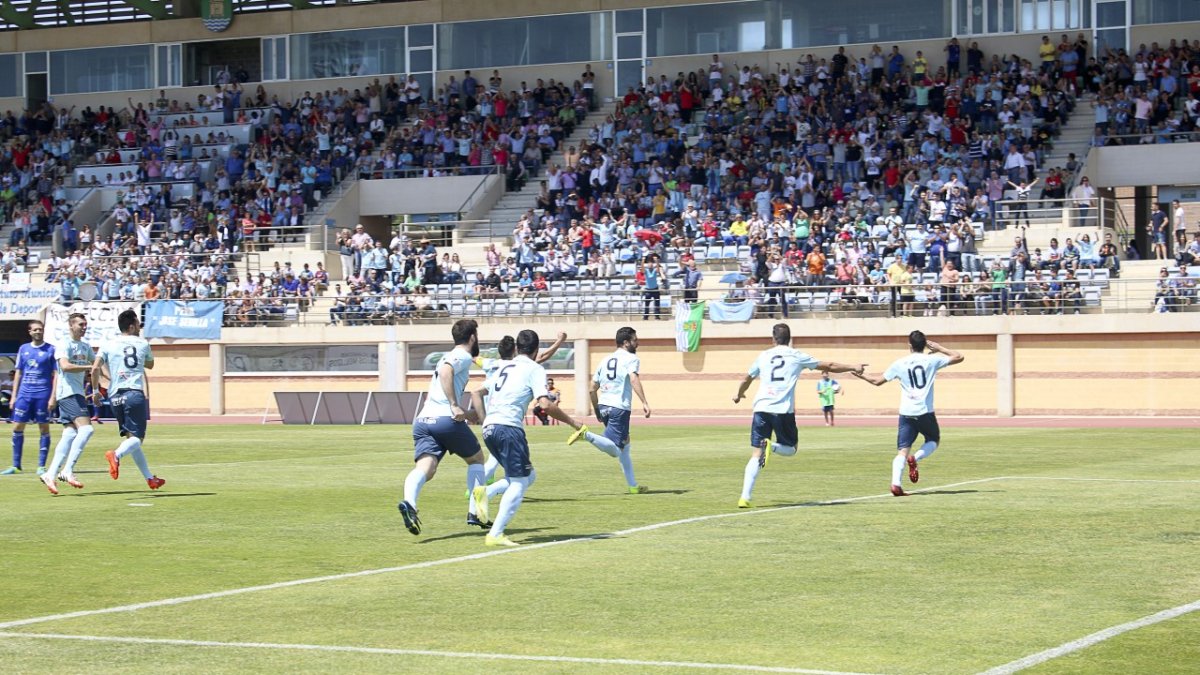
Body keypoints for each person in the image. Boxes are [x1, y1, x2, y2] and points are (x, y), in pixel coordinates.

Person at [470, 329, 585, 547]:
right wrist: (573, 422)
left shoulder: (505, 365)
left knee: (527, 476)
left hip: (491, 429)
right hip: (508, 428)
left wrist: (485, 421)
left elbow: (476, 393)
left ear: (517, 347)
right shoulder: (535, 368)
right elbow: (545, 404)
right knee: (520, 482)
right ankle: (495, 534)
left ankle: (487, 491)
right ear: (536, 349)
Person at [731, 323, 864, 508]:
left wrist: (738, 394)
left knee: (756, 453)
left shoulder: (763, 355)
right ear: (790, 339)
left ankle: (744, 497)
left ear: (773, 338)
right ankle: (772, 446)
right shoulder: (796, 355)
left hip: (761, 407)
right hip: (782, 410)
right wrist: (852, 366)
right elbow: (829, 365)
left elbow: (747, 378)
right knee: (791, 449)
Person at [398, 319, 489, 535]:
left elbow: (440, 383)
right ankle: (477, 513)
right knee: (476, 459)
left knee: (426, 469)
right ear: (472, 337)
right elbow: (447, 372)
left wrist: (466, 413)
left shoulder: (446, 356)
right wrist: (455, 405)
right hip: (445, 419)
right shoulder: (462, 356)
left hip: (423, 420)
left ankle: (409, 503)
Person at [852, 331, 965, 496]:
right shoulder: (932, 360)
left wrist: (861, 375)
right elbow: (959, 356)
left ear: (909, 345)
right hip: (925, 411)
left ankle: (895, 484)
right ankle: (916, 458)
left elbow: (877, 381)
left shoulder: (899, 363)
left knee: (902, 451)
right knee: (933, 439)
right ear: (925, 344)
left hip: (906, 412)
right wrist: (938, 347)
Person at [567, 326, 651, 494]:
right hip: (619, 407)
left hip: (605, 405)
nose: (638, 343)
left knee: (625, 442)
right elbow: (634, 379)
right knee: (615, 450)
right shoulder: (631, 359)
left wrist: (597, 410)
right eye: (635, 340)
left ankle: (633, 486)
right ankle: (586, 434)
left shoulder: (605, 360)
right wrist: (645, 402)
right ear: (626, 343)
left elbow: (592, 388)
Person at [92, 309, 165, 490]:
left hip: (114, 395)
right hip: (133, 393)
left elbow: (94, 369)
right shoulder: (142, 343)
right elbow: (150, 364)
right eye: (138, 324)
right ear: (132, 326)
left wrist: (95, 391)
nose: (140, 327)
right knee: (138, 439)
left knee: (131, 439)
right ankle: (115, 455)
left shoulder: (108, 344)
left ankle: (149, 478)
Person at [40, 313, 96, 494]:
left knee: (70, 434)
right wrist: (90, 367)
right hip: (69, 393)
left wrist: (99, 387)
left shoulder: (85, 347)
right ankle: (67, 470)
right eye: (81, 324)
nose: (84, 327)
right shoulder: (64, 344)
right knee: (87, 429)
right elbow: (64, 366)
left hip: (77, 393)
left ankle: (50, 473)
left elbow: (96, 365)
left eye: (85, 324)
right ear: (71, 326)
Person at [2, 320, 56, 476]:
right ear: (30, 332)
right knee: (17, 427)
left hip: (42, 394)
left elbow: (56, 374)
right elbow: (18, 373)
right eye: (35, 330)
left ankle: (41, 466)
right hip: (24, 395)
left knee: (44, 428)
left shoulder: (50, 349)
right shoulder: (23, 349)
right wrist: (14, 396)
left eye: (40, 329)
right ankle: (16, 465)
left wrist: (53, 397)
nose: (38, 332)